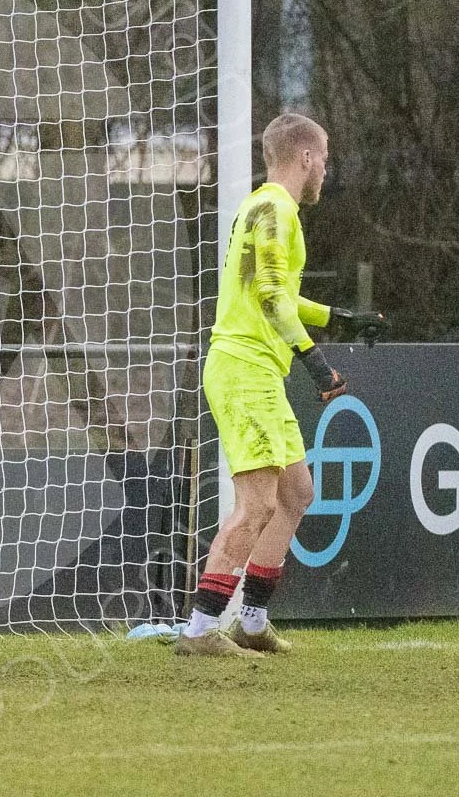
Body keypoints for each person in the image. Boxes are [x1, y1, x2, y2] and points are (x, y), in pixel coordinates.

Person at [176, 113, 386, 657]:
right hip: (245, 370)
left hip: (257, 370)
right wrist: (317, 364)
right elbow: (271, 298)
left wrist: (338, 317)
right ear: (307, 157)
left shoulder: (264, 207)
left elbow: (278, 295)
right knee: (256, 505)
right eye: (325, 159)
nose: (326, 170)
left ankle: (252, 621)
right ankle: (199, 630)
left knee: (297, 494)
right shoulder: (276, 210)